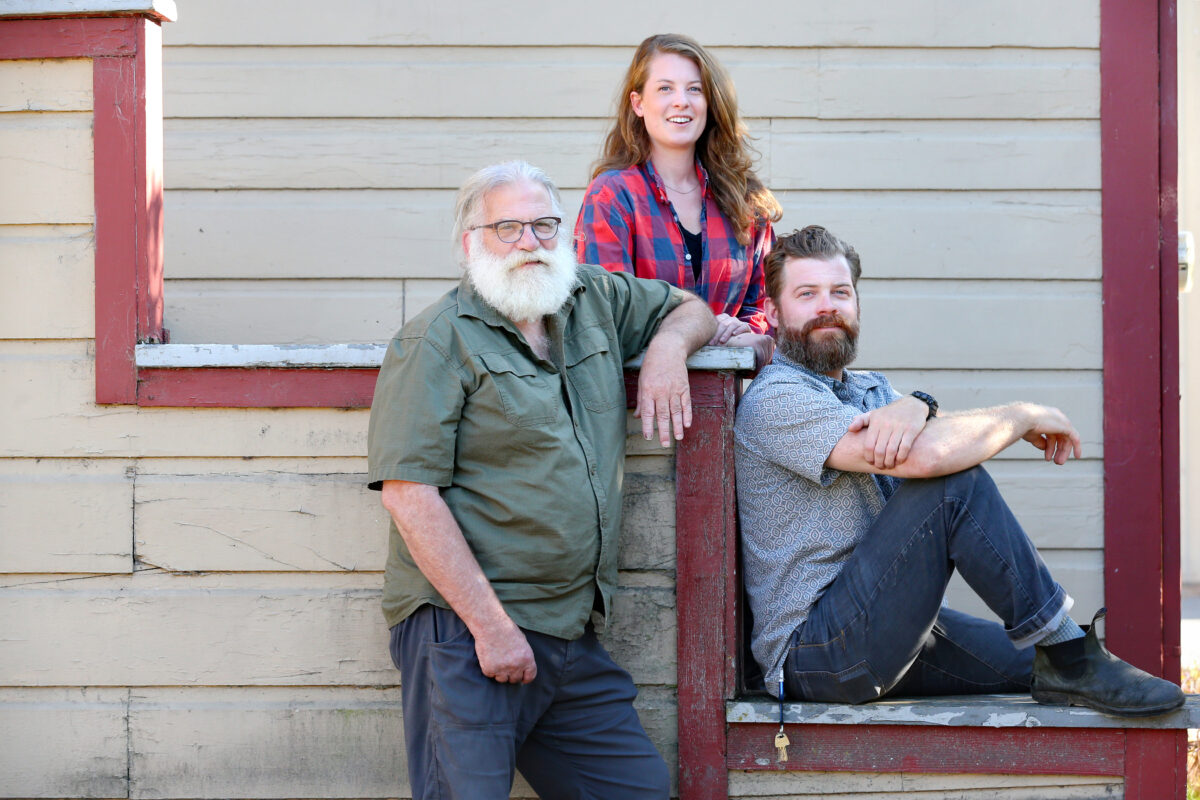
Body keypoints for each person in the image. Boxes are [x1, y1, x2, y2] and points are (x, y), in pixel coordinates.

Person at [367, 161, 716, 798]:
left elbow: (691, 308)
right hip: (465, 635)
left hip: (570, 636)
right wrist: (492, 629)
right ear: (471, 241)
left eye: (544, 225)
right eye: (508, 228)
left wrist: (668, 350)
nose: (530, 242)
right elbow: (409, 494)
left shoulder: (591, 299)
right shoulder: (435, 342)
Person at [733, 225, 1185, 717]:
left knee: (1034, 668)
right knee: (952, 486)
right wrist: (1021, 417)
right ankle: (1071, 654)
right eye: (807, 294)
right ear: (773, 313)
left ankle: (1071, 657)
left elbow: (939, 441)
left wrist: (917, 407)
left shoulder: (866, 390)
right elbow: (931, 461)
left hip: (886, 627)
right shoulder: (774, 401)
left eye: (841, 292)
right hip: (816, 655)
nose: (829, 306)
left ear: (857, 305)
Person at [575, 33, 781, 367]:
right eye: (665, 88)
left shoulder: (746, 201)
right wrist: (701, 327)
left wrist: (743, 329)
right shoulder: (612, 196)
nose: (681, 101)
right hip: (638, 402)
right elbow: (606, 314)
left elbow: (766, 312)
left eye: (694, 89)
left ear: (709, 103)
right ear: (638, 103)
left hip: (734, 403)